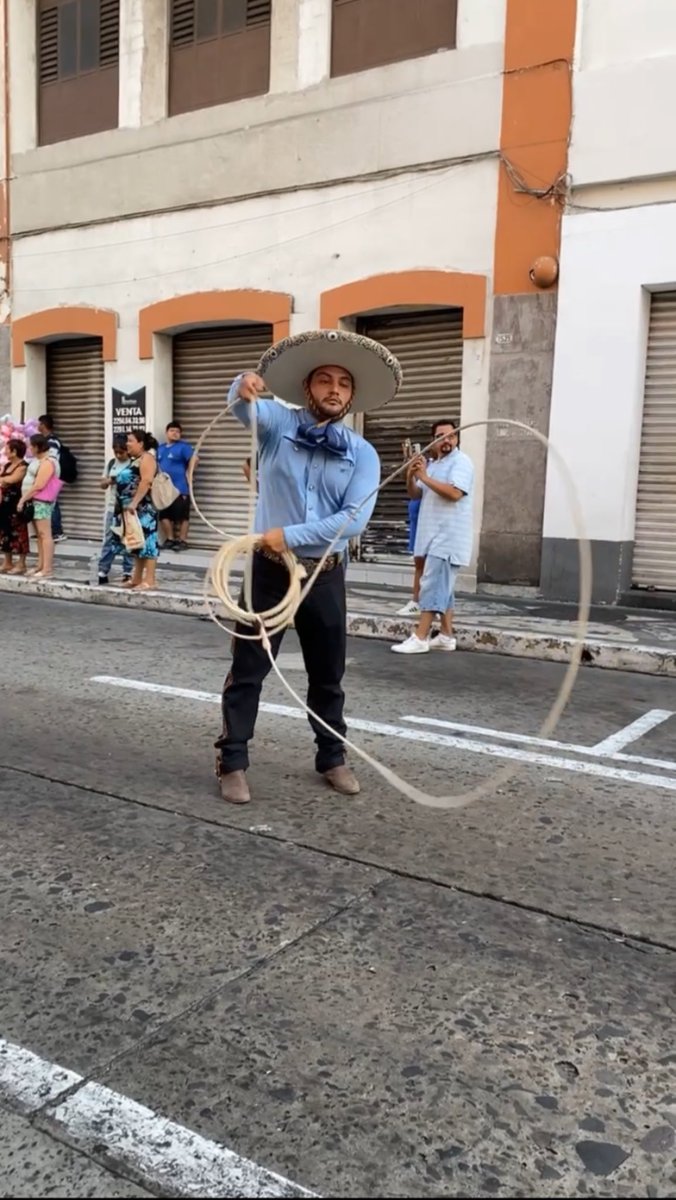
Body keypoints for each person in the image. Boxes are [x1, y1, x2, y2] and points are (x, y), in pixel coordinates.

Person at [215, 328, 402, 806]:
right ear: (307, 389)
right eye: (324, 380)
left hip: (325, 571)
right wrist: (244, 382)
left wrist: (291, 534)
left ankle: (332, 756)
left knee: (327, 673)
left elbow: (353, 522)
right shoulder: (279, 423)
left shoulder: (362, 453)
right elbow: (242, 407)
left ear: (352, 396)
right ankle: (232, 759)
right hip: (268, 569)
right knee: (249, 667)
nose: (334, 389)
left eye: (343, 382)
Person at [392, 419, 474, 655]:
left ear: (457, 438)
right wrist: (412, 474)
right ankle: (446, 636)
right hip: (431, 535)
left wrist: (425, 476)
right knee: (442, 588)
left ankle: (421, 636)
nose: (446, 440)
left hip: (448, 537)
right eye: (440, 436)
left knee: (430, 586)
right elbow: (416, 494)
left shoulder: (461, 462)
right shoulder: (433, 464)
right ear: (433, 440)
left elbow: (455, 493)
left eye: (450, 435)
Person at [112, 430, 160, 591]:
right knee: (138, 544)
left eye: (131, 441)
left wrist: (134, 502)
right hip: (132, 508)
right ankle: (137, 578)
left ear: (141, 443)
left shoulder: (147, 458)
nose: (127, 444)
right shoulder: (136, 460)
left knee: (149, 542)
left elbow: (146, 481)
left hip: (143, 507)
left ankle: (150, 579)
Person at [17, 433, 61, 579]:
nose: (30, 448)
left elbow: (39, 485)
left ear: (37, 447)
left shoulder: (48, 462)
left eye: (31, 445)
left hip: (42, 501)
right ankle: (40, 565)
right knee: (39, 536)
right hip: (35, 501)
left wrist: (23, 499)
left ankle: (47, 568)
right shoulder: (39, 460)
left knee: (45, 535)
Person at [97, 434, 133, 585]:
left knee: (129, 540)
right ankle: (103, 570)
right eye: (116, 452)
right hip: (112, 507)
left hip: (128, 507)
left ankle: (128, 571)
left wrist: (117, 479)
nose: (119, 455)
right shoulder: (112, 463)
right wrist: (108, 481)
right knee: (109, 539)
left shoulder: (133, 464)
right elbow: (102, 483)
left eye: (122, 452)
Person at [157, 421, 197, 550]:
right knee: (164, 515)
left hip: (180, 487)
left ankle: (182, 541)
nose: (175, 433)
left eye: (178, 431)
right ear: (166, 432)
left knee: (182, 515)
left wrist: (189, 473)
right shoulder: (161, 448)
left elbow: (195, 459)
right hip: (164, 488)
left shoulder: (183, 447)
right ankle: (170, 539)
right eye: (172, 430)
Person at [0, 438, 29, 575]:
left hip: (16, 504)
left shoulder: (22, 466)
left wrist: (4, 481)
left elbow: (12, 480)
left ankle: (21, 564)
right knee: (5, 532)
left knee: (19, 533)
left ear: (14, 451)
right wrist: (3, 481)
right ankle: (7, 562)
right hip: (4, 504)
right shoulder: (7, 465)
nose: (5, 451)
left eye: (7, 449)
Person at [38, 414, 66, 543]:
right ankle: (52, 530)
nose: (37, 426)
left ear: (43, 425)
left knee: (52, 502)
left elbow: (52, 459)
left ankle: (57, 531)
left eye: (39, 424)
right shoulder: (46, 440)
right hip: (48, 474)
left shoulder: (52, 442)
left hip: (51, 475)